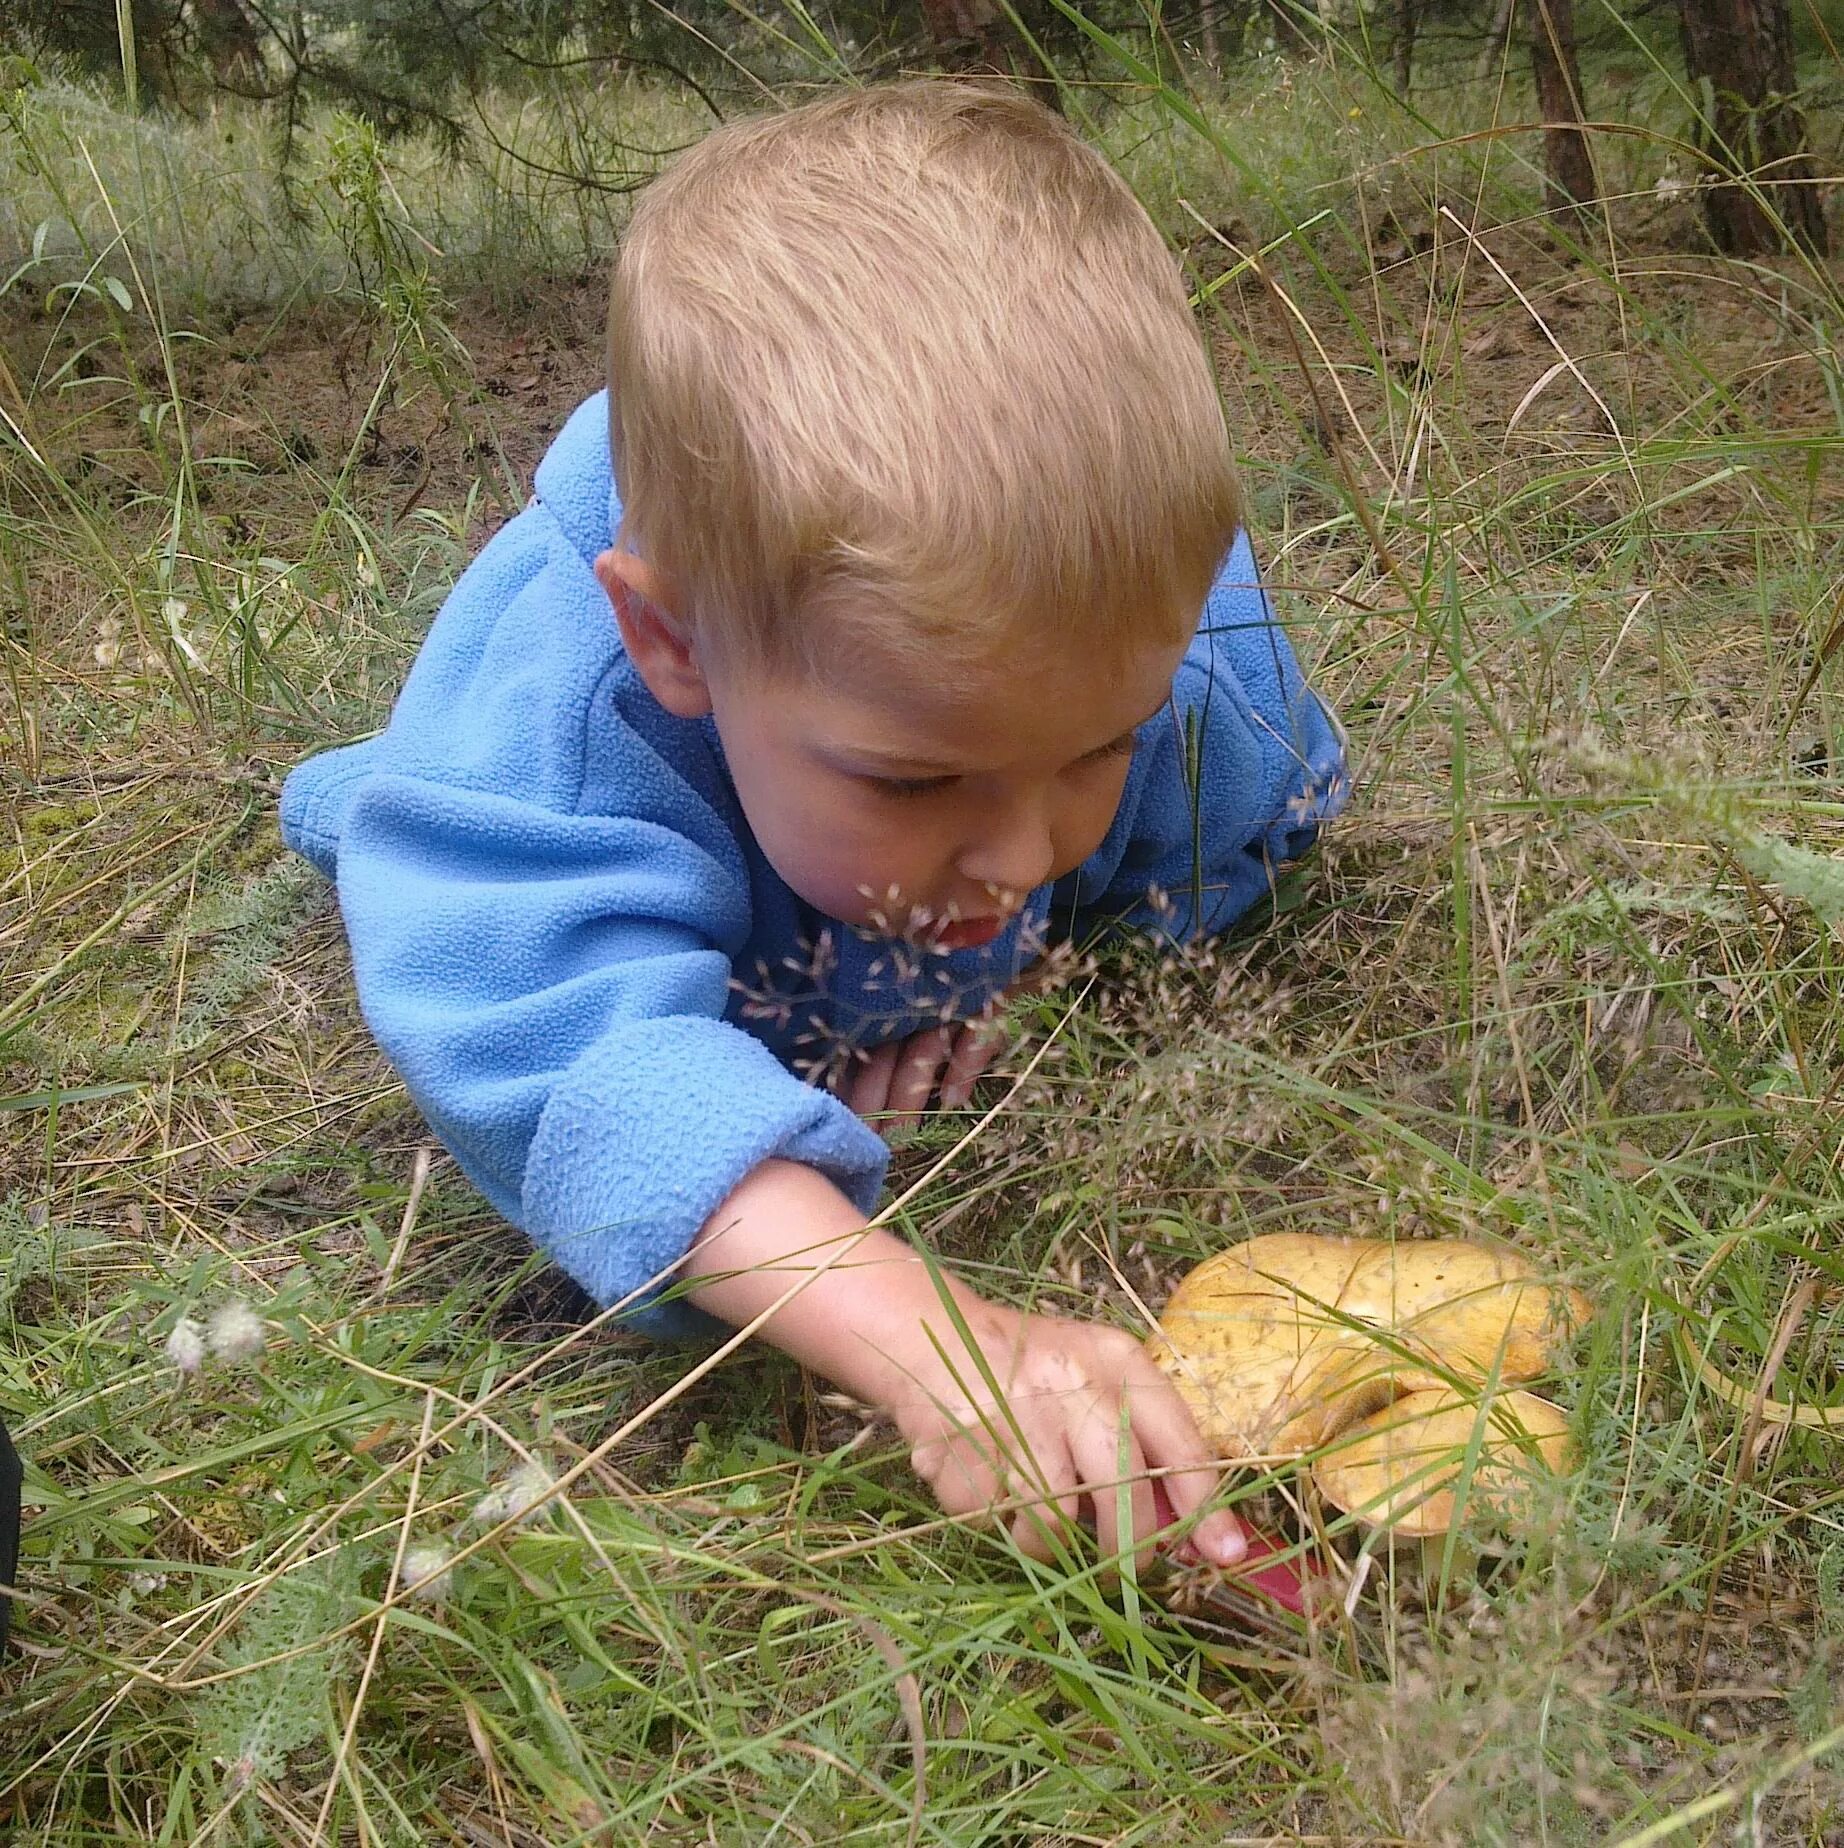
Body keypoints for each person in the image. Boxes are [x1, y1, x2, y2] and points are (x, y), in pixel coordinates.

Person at [280, 80, 1346, 1574]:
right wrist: (928, 1338)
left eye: (1094, 746)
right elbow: (557, 1047)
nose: (1029, 852)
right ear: (678, 645)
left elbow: (1269, 811)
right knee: (436, 834)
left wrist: (1049, 967)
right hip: (525, 779)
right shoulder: (579, 735)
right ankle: (369, 792)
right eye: (917, 784)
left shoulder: (1178, 664)